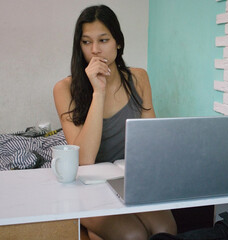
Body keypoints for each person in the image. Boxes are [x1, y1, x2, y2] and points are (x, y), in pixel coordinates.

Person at [53, 5, 177, 240]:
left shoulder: (138, 78)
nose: (96, 50)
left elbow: (150, 140)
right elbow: (84, 160)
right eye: (86, 42)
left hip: (129, 179)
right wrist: (97, 93)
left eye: (103, 40)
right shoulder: (64, 89)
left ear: (118, 42)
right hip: (87, 184)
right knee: (132, 235)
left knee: (165, 231)